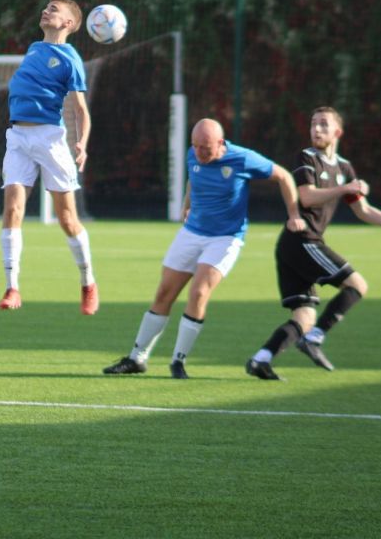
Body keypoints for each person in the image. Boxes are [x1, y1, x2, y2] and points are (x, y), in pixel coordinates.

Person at [103, 118, 306, 379]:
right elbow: (193, 178)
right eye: (195, 146)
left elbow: (284, 176)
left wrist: (294, 215)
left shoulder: (242, 159)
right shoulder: (193, 154)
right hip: (191, 233)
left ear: (220, 143)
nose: (199, 153)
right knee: (164, 293)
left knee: (199, 293)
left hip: (225, 238)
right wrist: (186, 205)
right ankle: (136, 358)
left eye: (205, 148)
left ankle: (178, 361)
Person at [245, 106, 381, 381]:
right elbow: (307, 197)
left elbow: (363, 210)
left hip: (296, 246)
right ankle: (314, 339)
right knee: (357, 285)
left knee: (304, 317)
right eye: (313, 124)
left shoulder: (344, 167)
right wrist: (345, 188)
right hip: (302, 241)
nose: (316, 129)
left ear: (337, 132)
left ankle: (261, 359)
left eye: (323, 124)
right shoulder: (306, 158)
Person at [0, 0, 98, 315]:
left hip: (50, 139)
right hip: (18, 137)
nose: (45, 11)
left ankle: (88, 282)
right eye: (45, 7)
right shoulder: (34, 48)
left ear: (68, 23)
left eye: (53, 9)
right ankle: (12, 287)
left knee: (67, 219)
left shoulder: (70, 59)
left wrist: (81, 143)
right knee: (13, 209)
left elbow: (80, 110)